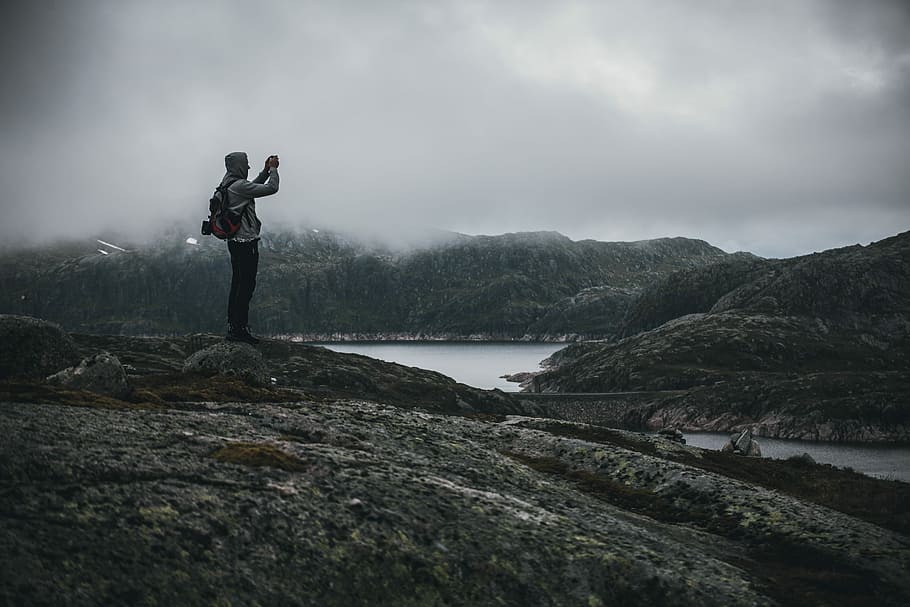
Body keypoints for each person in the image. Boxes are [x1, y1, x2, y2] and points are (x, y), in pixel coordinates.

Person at [220, 151, 280, 344]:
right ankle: (240, 330)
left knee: (237, 285)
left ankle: (234, 326)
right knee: (246, 286)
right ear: (238, 166)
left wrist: (264, 171)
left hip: (234, 242)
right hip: (246, 243)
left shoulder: (228, 183)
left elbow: (252, 186)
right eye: (245, 164)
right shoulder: (239, 186)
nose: (248, 167)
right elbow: (272, 188)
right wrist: (273, 170)